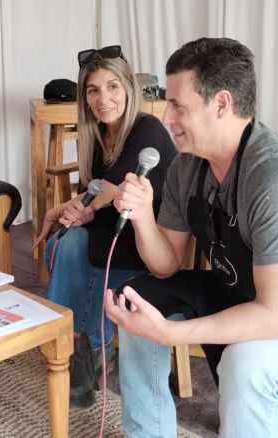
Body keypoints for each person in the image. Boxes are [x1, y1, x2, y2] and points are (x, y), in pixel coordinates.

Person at [105, 37, 278, 438]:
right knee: (135, 300)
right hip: (250, 291)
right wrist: (144, 217)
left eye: (178, 105)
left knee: (246, 364)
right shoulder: (187, 167)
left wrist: (172, 332)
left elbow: (277, 315)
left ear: (221, 103)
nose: (166, 118)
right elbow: (165, 266)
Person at [34, 45, 176, 408]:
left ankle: (75, 351)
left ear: (128, 87)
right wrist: (72, 210)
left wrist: (68, 209)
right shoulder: (98, 136)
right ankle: (79, 349)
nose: (103, 99)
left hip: (148, 243)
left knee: (68, 245)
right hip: (110, 234)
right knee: (64, 244)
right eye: (93, 90)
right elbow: (93, 196)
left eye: (112, 87)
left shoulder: (148, 128)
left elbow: (110, 191)